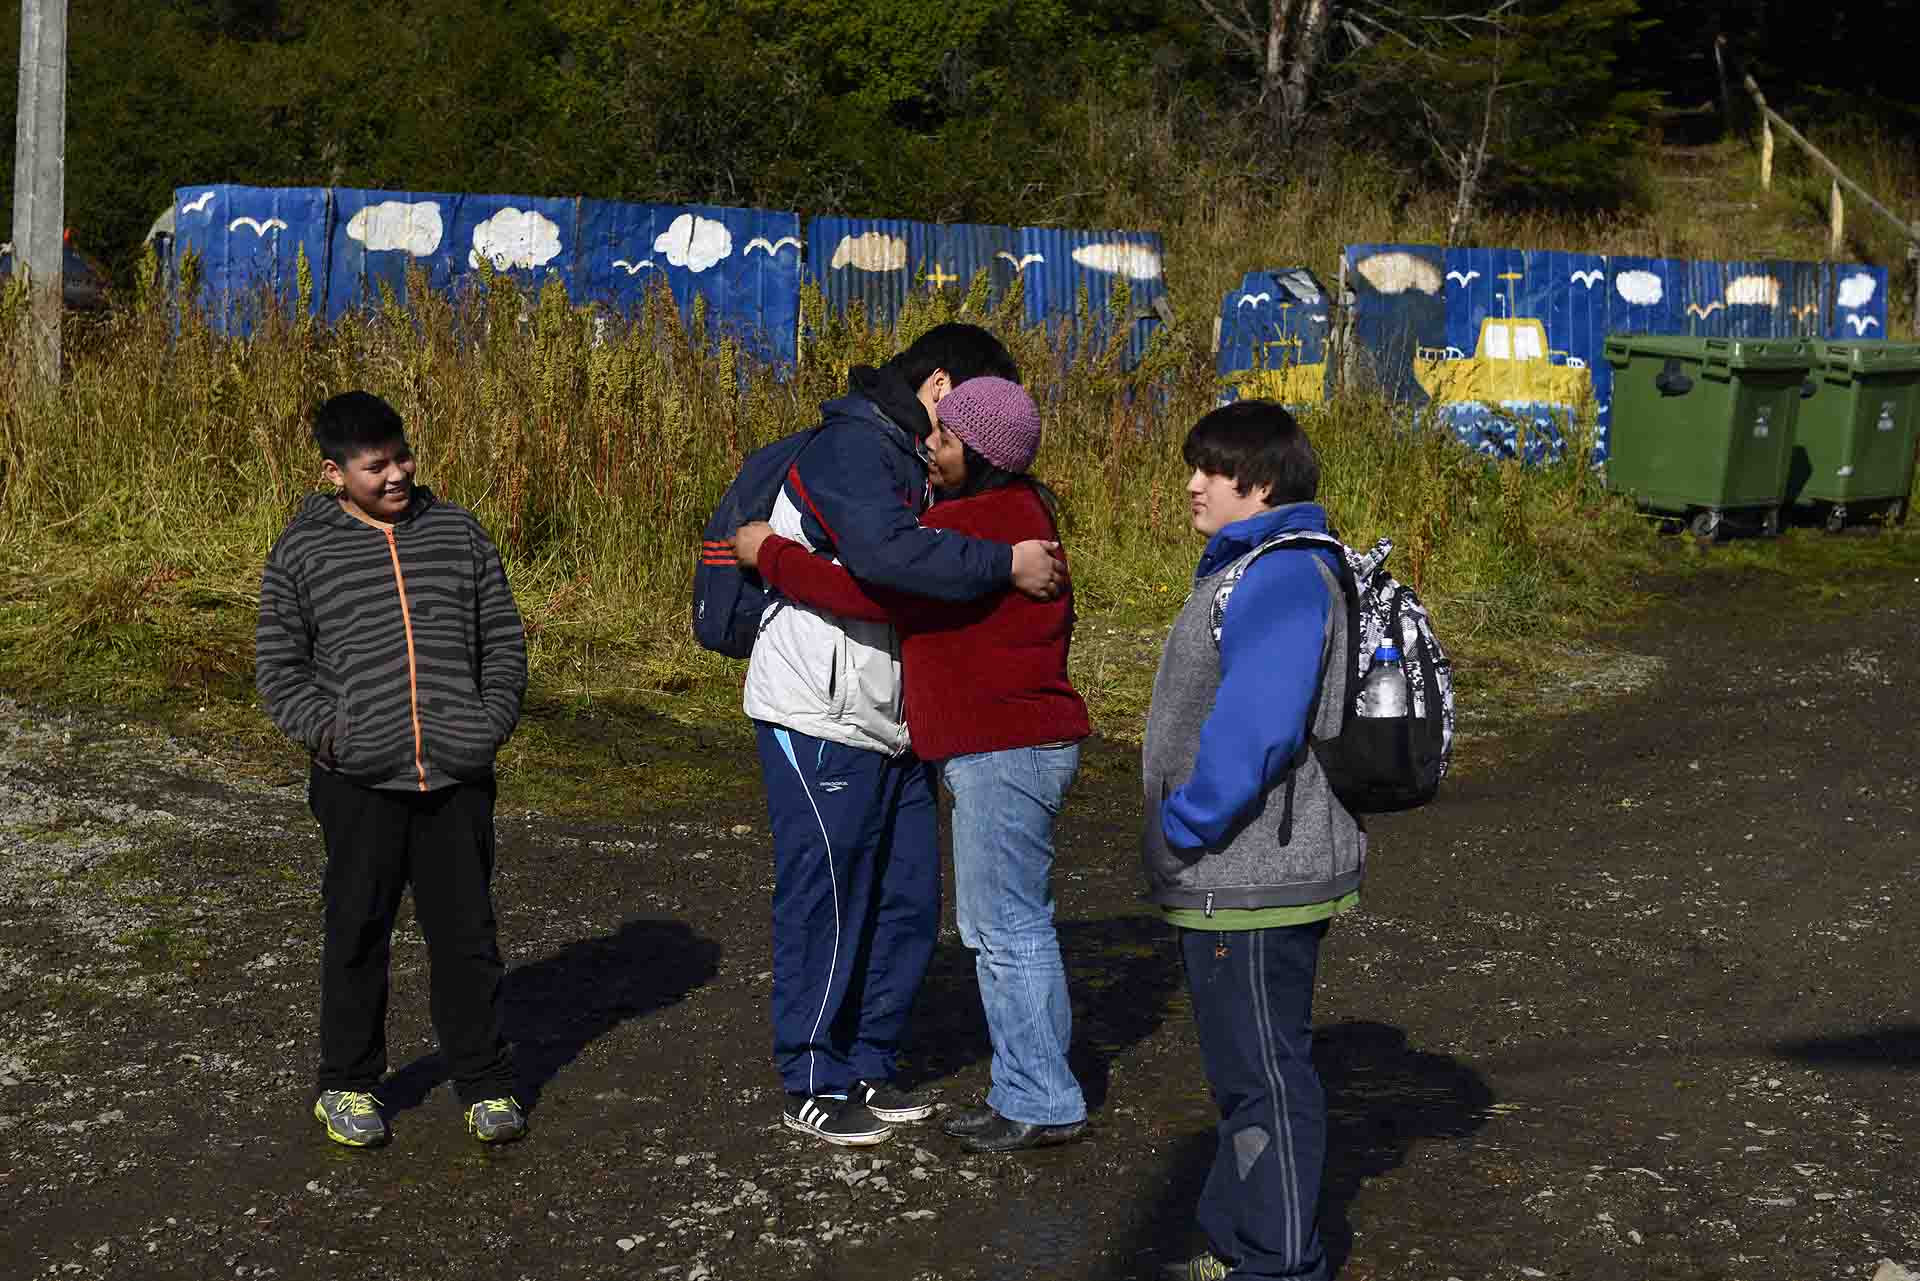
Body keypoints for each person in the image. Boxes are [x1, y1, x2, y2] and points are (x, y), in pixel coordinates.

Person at [736, 375, 1091, 1154]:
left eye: (948, 438)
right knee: (975, 916)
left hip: (1003, 746)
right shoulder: (1006, 520)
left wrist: (774, 556)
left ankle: (1037, 1093)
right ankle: (843, 1072)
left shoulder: (984, 526)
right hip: (979, 739)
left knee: (1003, 927)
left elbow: (887, 590)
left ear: (985, 456)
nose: (930, 444)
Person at [255, 390, 530, 1149]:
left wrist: (486, 725)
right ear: (334, 473)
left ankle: (484, 1081)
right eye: (376, 466)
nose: (398, 474)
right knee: (357, 930)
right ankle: (346, 1084)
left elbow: (503, 639)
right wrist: (333, 736)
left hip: (456, 777)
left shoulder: (458, 534)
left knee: (468, 935)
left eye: (402, 455)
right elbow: (280, 666)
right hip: (357, 782)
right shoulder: (303, 551)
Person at [1140, 401, 1362, 1281]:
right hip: (1234, 871)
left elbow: (1258, 731)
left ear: (1262, 482)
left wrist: (1184, 824)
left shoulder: (1278, 573)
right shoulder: (1254, 566)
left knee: (1264, 1080)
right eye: (1192, 464)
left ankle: (1278, 1264)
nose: (1193, 483)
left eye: (1213, 468)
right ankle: (1239, 1243)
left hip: (1251, 875)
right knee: (1245, 1077)